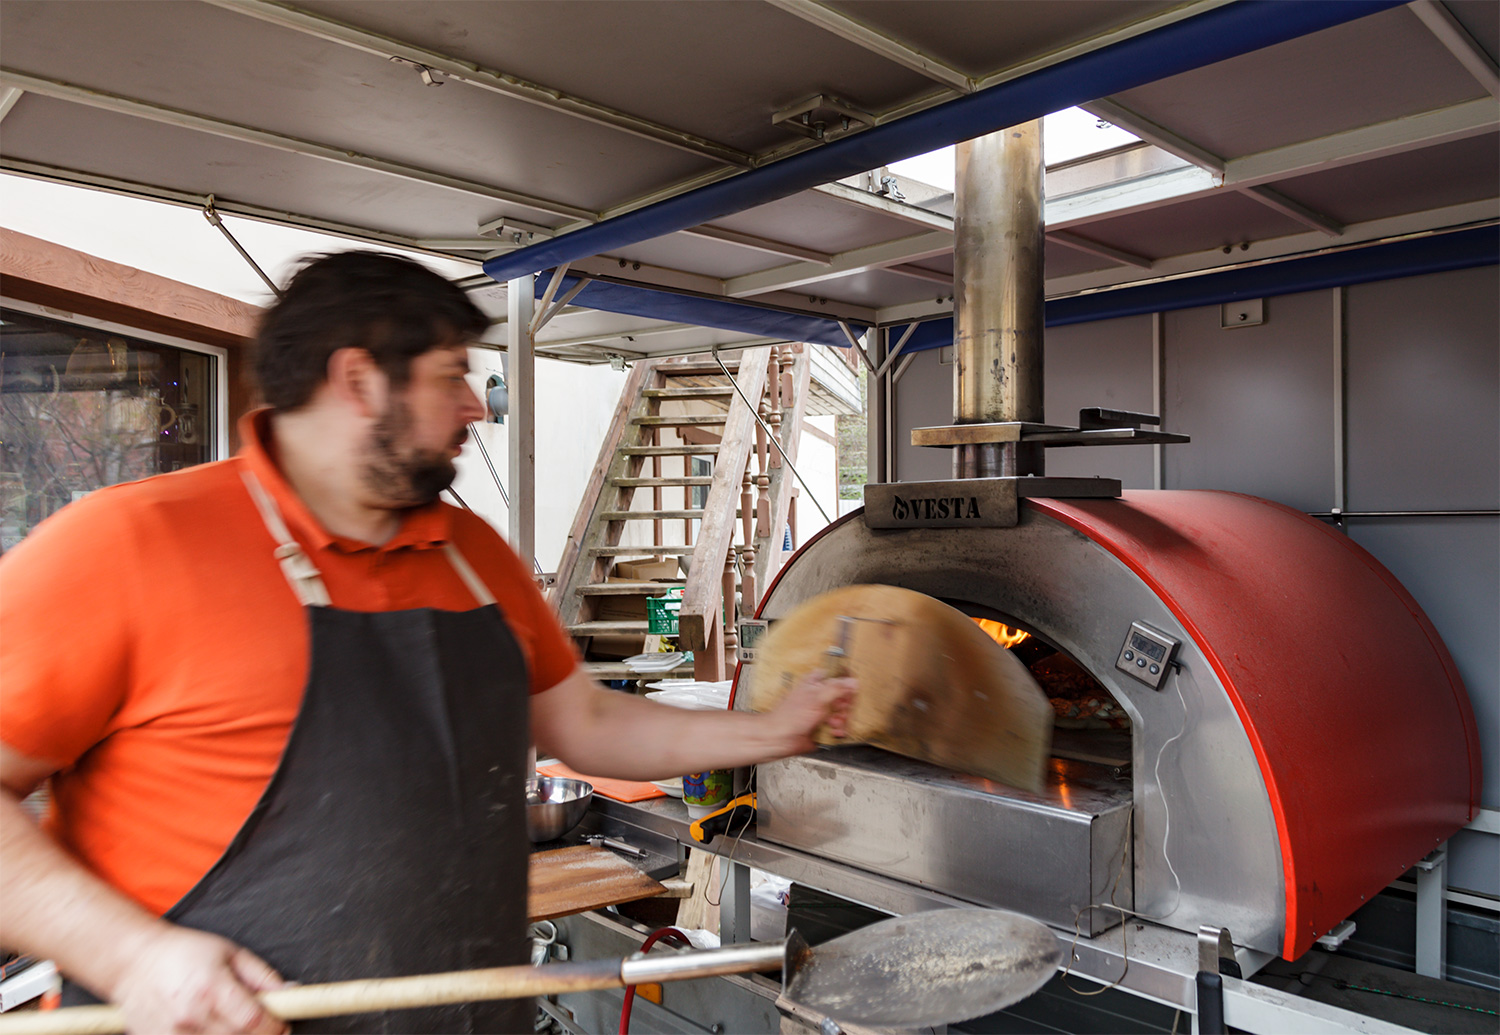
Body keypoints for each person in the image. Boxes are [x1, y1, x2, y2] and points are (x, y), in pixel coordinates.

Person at [0, 252, 852, 1035]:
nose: (476, 406)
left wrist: (774, 729)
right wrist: (132, 956)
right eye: (452, 377)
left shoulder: (471, 555)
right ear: (359, 381)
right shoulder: (130, 544)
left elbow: (587, 724)